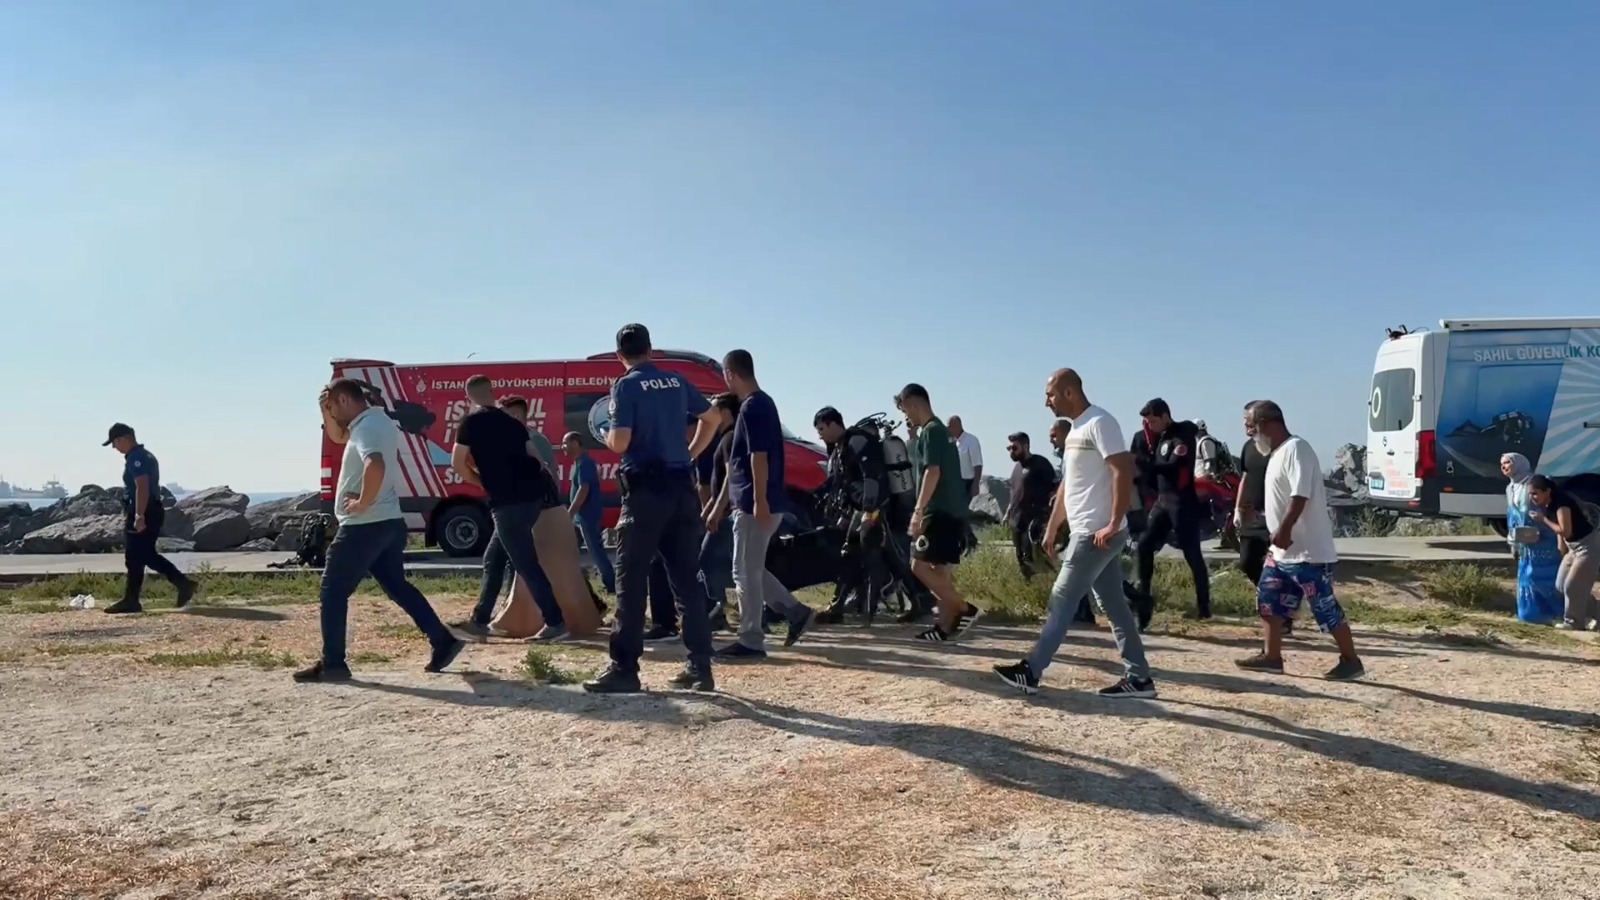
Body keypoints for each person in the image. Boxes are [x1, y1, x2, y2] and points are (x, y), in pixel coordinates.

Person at [993, 368, 1155, 697]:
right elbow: (1069, 485)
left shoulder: (1100, 422)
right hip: (1088, 531)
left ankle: (1032, 671)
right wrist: (1053, 527)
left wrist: (1113, 522)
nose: (1045, 402)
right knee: (1114, 606)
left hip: (1097, 533)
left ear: (1069, 392)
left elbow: (1122, 469)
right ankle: (1140, 679)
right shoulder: (1077, 431)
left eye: (1050, 394)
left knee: (1061, 600)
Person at [297, 380, 465, 682]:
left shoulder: (367, 429)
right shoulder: (377, 421)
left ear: (345, 400)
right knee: (397, 586)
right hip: (389, 523)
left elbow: (374, 464)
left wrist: (363, 502)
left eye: (334, 408)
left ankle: (333, 663)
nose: (333, 417)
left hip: (365, 526)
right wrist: (324, 409)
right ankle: (443, 640)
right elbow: (338, 437)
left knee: (333, 590)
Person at [583, 324, 719, 694]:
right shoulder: (675, 381)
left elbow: (620, 440)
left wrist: (610, 437)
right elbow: (713, 419)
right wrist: (691, 453)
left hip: (644, 492)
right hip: (680, 489)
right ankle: (700, 668)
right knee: (687, 582)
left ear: (619, 355)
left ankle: (624, 668)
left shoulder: (625, 385)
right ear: (651, 349)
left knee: (631, 579)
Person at [1233, 401, 1364, 680]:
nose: (1248, 432)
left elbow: (1299, 495)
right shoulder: (1275, 454)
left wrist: (1285, 529)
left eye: (1250, 425)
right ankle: (1272, 657)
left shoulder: (1296, 449)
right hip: (1281, 553)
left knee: (1324, 609)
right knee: (1268, 600)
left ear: (1268, 423)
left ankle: (1351, 660)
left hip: (1309, 553)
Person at [449, 375, 568, 641]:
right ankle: (480, 619)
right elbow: (537, 460)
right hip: (532, 498)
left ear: (469, 397)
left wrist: (481, 481)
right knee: (494, 556)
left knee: (525, 563)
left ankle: (555, 621)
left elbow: (457, 462)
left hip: (507, 502)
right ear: (491, 392)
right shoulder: (512, 423)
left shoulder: (470, 422)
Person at [713, 349, 815, 660]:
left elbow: (758, 457)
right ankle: (796, 612)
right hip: (759, 501)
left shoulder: (752, 407)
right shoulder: (763, 403)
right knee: (751, 570)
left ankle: (751, 640)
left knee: (743, 572)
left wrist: (758, 500)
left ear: (730, 373)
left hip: (755, 502)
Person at [895, 383, 980, 642]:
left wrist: (918, 510)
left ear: (913, 403)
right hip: (951, 510)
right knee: (939, 569)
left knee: (918, 565)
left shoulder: (931, 432)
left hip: (938, 510)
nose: (905, 417)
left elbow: (933, 471)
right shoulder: (939, 432)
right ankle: (944, 627)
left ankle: (965, 609)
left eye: (905, 410)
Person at [812, 406, 897, 623]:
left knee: (873, 560)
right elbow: (840, 481)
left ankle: (865, 612)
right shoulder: (840, 447)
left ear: (833, 424)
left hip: (873, 510)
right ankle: (843, 608)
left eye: (821, 428)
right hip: (862, 510)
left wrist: (869, 510)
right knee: (853, 556)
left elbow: (871, 476)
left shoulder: (856, 442)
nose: (819, 434)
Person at [101, 424, 196, 614]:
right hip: (148, 509)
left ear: (124, 439)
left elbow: (141, 486)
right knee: (135, 556)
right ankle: (132, 599)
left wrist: (139, 515)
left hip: (145, 510)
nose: (114, 448)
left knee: (143, 554)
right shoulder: (145, 455)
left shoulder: (137, 458)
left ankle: (182, 583)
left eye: (115, 443)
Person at [1131, 397, 1212, 621]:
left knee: (1192, 553)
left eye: (1153, 421)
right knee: (1144, 545)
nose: (1151, 426)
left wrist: (1142, 464)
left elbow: (1172, 467)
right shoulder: (1161, 437)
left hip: (1182, 503)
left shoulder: (1182, 436)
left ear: (1165, 416)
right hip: (1162, 501)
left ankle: (1203, 606)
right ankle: (1143, 600)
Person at [1528, 474, 1599, 630]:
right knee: (1561, 585)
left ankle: (1573, 623)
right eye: (1530, 494)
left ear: (1546, 491)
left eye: (1535, 493)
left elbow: (1565, 530)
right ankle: (1597, 614)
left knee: (1572, 586)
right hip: (1572, 547)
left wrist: (1543, 520)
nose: (1532, 497)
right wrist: (1563, 550)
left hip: (1587, 546)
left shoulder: (1561, 504)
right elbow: (1562, 534)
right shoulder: (1548, 504)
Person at [1501, 454, 1561, 625]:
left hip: (1545, 540)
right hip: (1524, 542)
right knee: (1526, 577)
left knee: (1544, 576)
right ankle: (1531, 616)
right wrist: (1513, 541)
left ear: (1519, 464)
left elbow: (1551, 508)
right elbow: (1511, 515)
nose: (1504, 467)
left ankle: (1558, 613)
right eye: (1502, 464)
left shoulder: (1535, 484)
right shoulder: (1510, 488)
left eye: (1507, 463)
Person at [562, 431, 616, 595]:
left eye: (566, 443)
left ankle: (611, 585)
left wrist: (571, 512)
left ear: (576, 444)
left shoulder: (585, 463)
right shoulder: (580, 462)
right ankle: (573, 584)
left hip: (587, 516)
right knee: (569, 550)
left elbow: (584, 489)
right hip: (580, 518)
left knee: (596, 551)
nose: (562, 446)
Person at [1004, 431, 1058, 579]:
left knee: (1034, 558)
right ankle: (1027, 588)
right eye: (1009, 448)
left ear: (1025, 446)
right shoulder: (1016, 468)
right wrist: (1008, 512)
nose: (1011, 452)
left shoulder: (1040, 463)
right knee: (1021, 560)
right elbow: (1014, 491)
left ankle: (1046, 589)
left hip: (1033, 522)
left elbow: (1054, 488)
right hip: (1017, 521)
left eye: (1014, 448)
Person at [949, 415, 984, 552]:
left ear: (958, 425)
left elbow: (978, 464)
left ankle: (970, 540)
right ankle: (965, 539)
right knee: (956, 512)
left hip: (968, 482)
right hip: (956, 482)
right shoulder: (954, 442)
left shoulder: (971, 441)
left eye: (950, 426)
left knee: (961, 511)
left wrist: (976, 483)